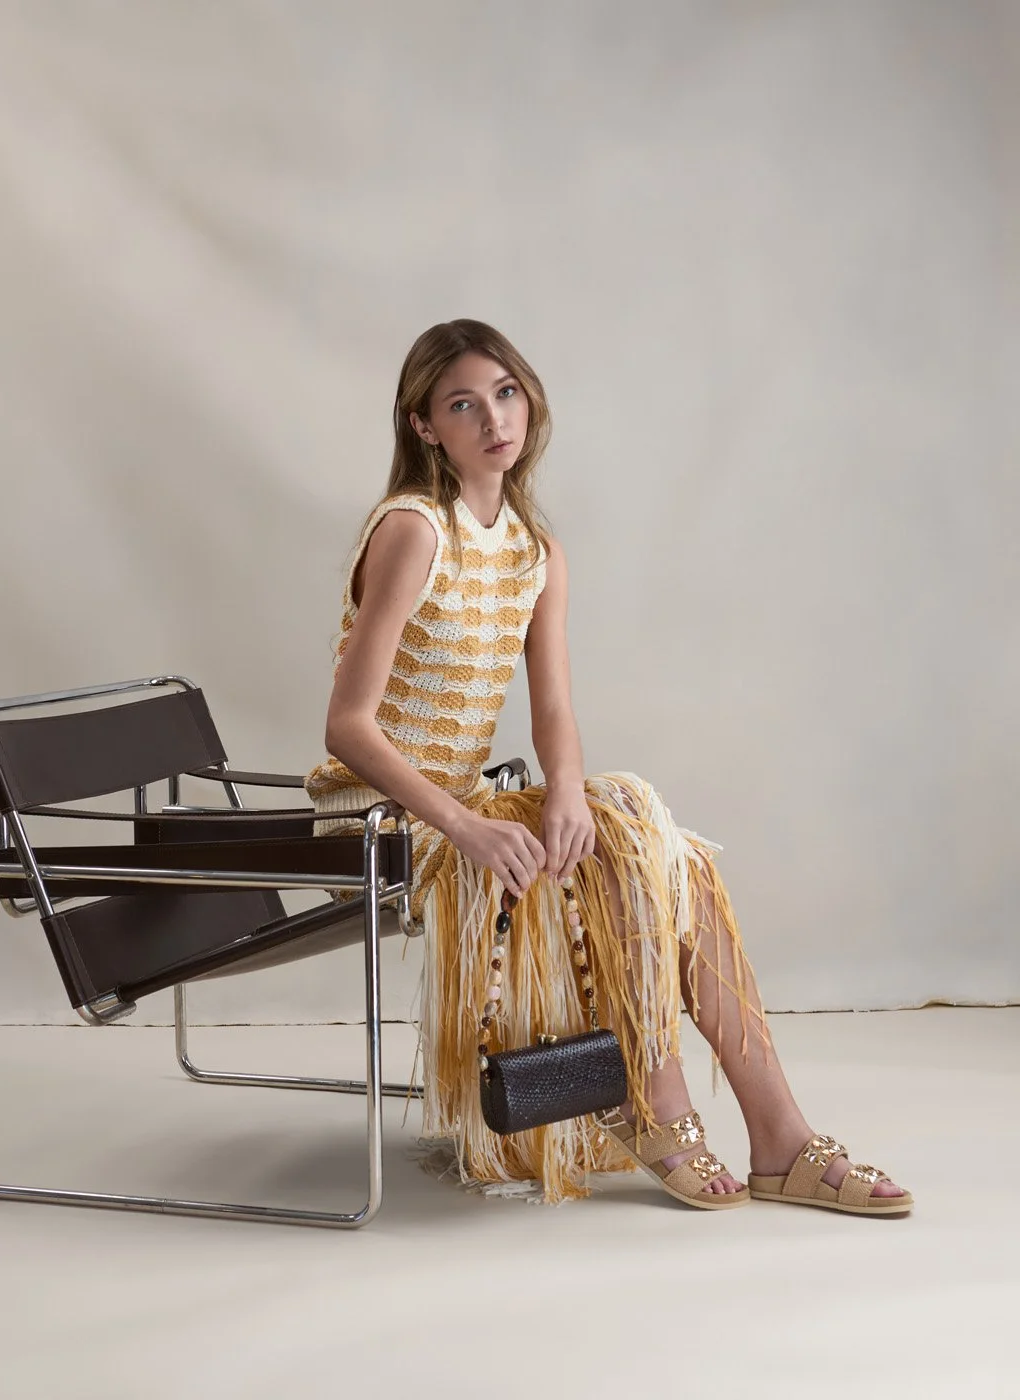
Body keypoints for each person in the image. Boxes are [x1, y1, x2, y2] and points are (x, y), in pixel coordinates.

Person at [305, 319, 912, 1214]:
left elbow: (554, 710)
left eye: (505, 393)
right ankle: (663, 1107)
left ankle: (777, 1135)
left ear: (529, 401)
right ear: (426, 425)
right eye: (462, 404)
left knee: (667, 855)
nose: (492, 419)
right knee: (631, 854)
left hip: (471, 801)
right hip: (385, 818)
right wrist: (470, 826)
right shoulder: (413, 530)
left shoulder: (533, 550)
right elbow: (348, 728)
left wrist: (563, 799)